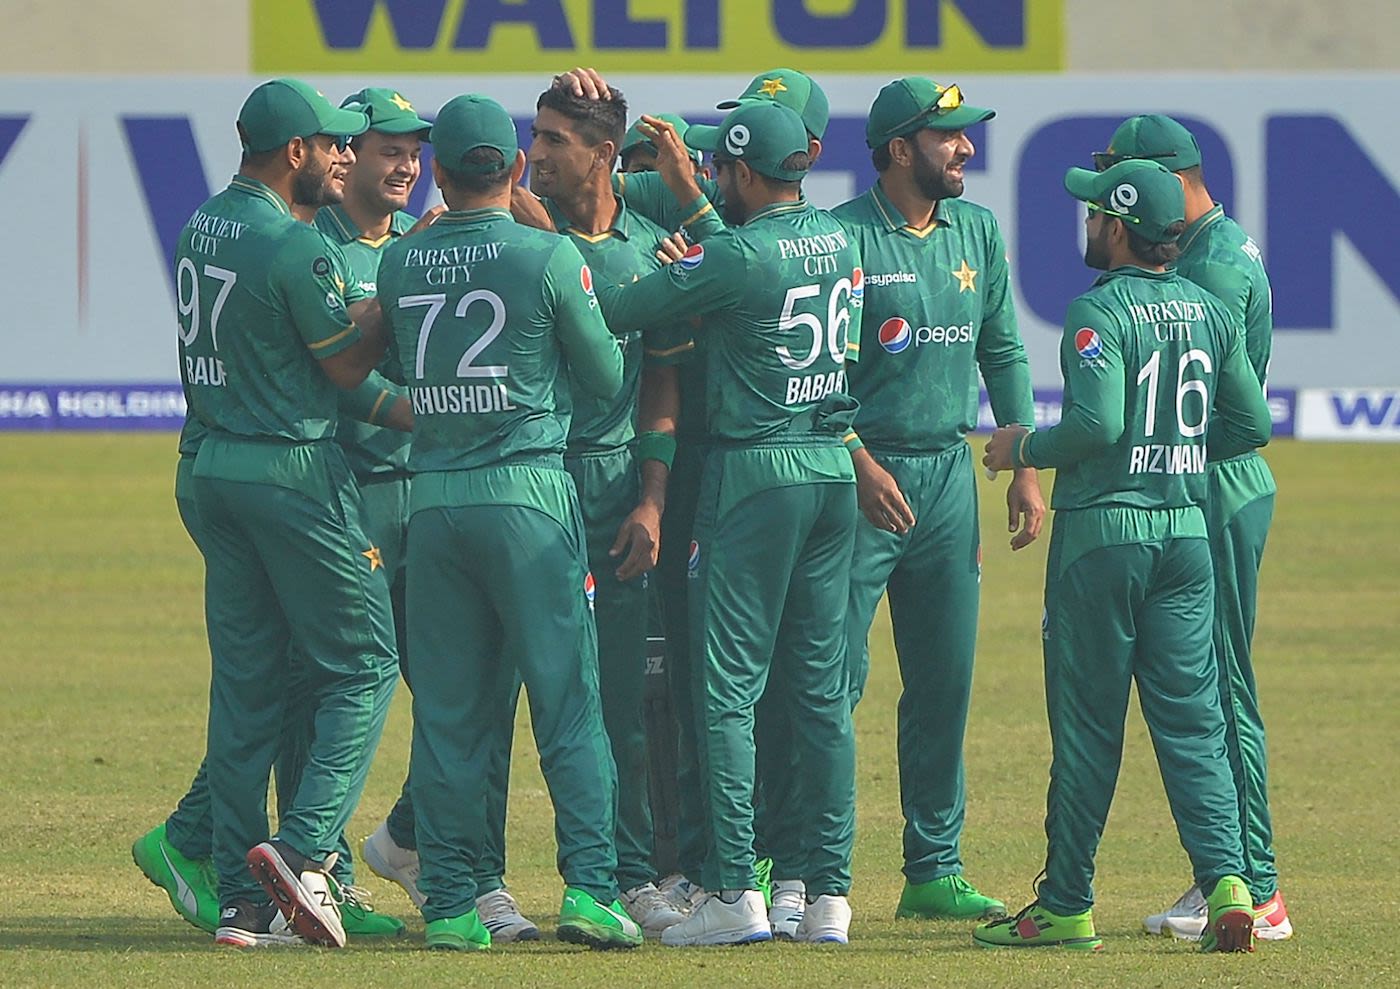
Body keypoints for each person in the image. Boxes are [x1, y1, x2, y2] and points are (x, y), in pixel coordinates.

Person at [976, 159, 1272, 953]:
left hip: (1105, 539)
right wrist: (1175, 452)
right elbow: (1250, 425)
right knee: (1195, 725)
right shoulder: (1210, 310)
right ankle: (1230, 881)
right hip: (1185, 536)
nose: (1085, 224)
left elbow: (1098, 425)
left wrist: (1020, 446)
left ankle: (1066, 902)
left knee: (1086, 729)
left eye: (1093, 213)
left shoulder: (1095, 312)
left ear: (1117, 224)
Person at [375, 92, 640, 952]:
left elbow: (389, 363)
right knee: (567, 703)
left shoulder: (401, 263)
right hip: (529, 497)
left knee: (450, 714)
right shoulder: (550, 256)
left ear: (440, 176)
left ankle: (451, 905)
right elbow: (605, 380)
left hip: (436, 500)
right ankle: (591, 892)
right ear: (517, 168)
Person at [596, 100, 860, 947]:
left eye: (718, 172)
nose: (710, 181)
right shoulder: (837, 238)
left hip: (757, 473)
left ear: (744, 173)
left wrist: (674, 263)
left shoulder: (736, 257)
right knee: (820, 693)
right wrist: (702, 235)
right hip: (828, 469)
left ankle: (735, 891)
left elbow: (625, 306)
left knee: (727, 690)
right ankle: (828, 898)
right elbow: (741, 255)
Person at [173, 77, 401, 949]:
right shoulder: (295, 247)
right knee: (366, 663)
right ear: (294, 152)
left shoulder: (205, 222)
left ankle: (240, 900)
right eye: (333, 143)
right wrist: (394, 295)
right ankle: (304, 854)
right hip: (289, 470)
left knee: (247, 689)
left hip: (210, 466)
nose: (345, 156)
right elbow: (346, 365)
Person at [832, 76, 1043, 923]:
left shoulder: (978, 230)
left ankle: (933, 868)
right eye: (948, 136)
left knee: (942, 683)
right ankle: (801, 865)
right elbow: (816, 370)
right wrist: (856, 460)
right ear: (897, 149)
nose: (966, 149)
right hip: (857, 483)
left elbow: (1003, 346)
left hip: (947, 480)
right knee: (828, 681)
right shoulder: (842, 236)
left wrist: (1024, 458)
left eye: (965, 135)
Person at [1095, 114, 1291, 943]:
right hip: (1218, 485)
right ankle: (1235, 874)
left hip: (1206, 489)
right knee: (1212, 685)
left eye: (1120, 175)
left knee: (1218, 689)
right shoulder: (1225, 243)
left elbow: (1219, 410)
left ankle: (1257, 884)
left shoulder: (1204, 267)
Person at [526, 82, 687, 937]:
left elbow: (661, 384)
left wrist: (653, 502)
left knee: (618, 698)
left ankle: (624, 874)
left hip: (618, 487)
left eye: (554, 139)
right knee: (515, 694)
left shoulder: (652, 250)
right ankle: (462, 874)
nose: (536, 153)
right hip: (531, 484)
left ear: (600, 155)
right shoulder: (512, 237)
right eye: (534, 135)